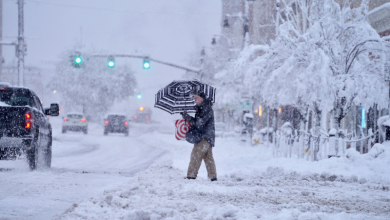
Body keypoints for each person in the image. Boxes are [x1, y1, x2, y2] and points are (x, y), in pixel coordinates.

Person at [181, 90, 217, 181]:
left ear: (202, 98)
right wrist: (187, 115)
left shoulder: (206, 108)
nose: (195, 100)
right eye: (194, 98)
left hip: (204, 137)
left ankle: (191, 176)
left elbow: (200, 123)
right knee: (208, 158)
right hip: (208, 137)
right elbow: (199, 122)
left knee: (195, 155)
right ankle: (213, 177)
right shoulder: (203, 108)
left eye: (197, 98)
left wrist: (187, 117)